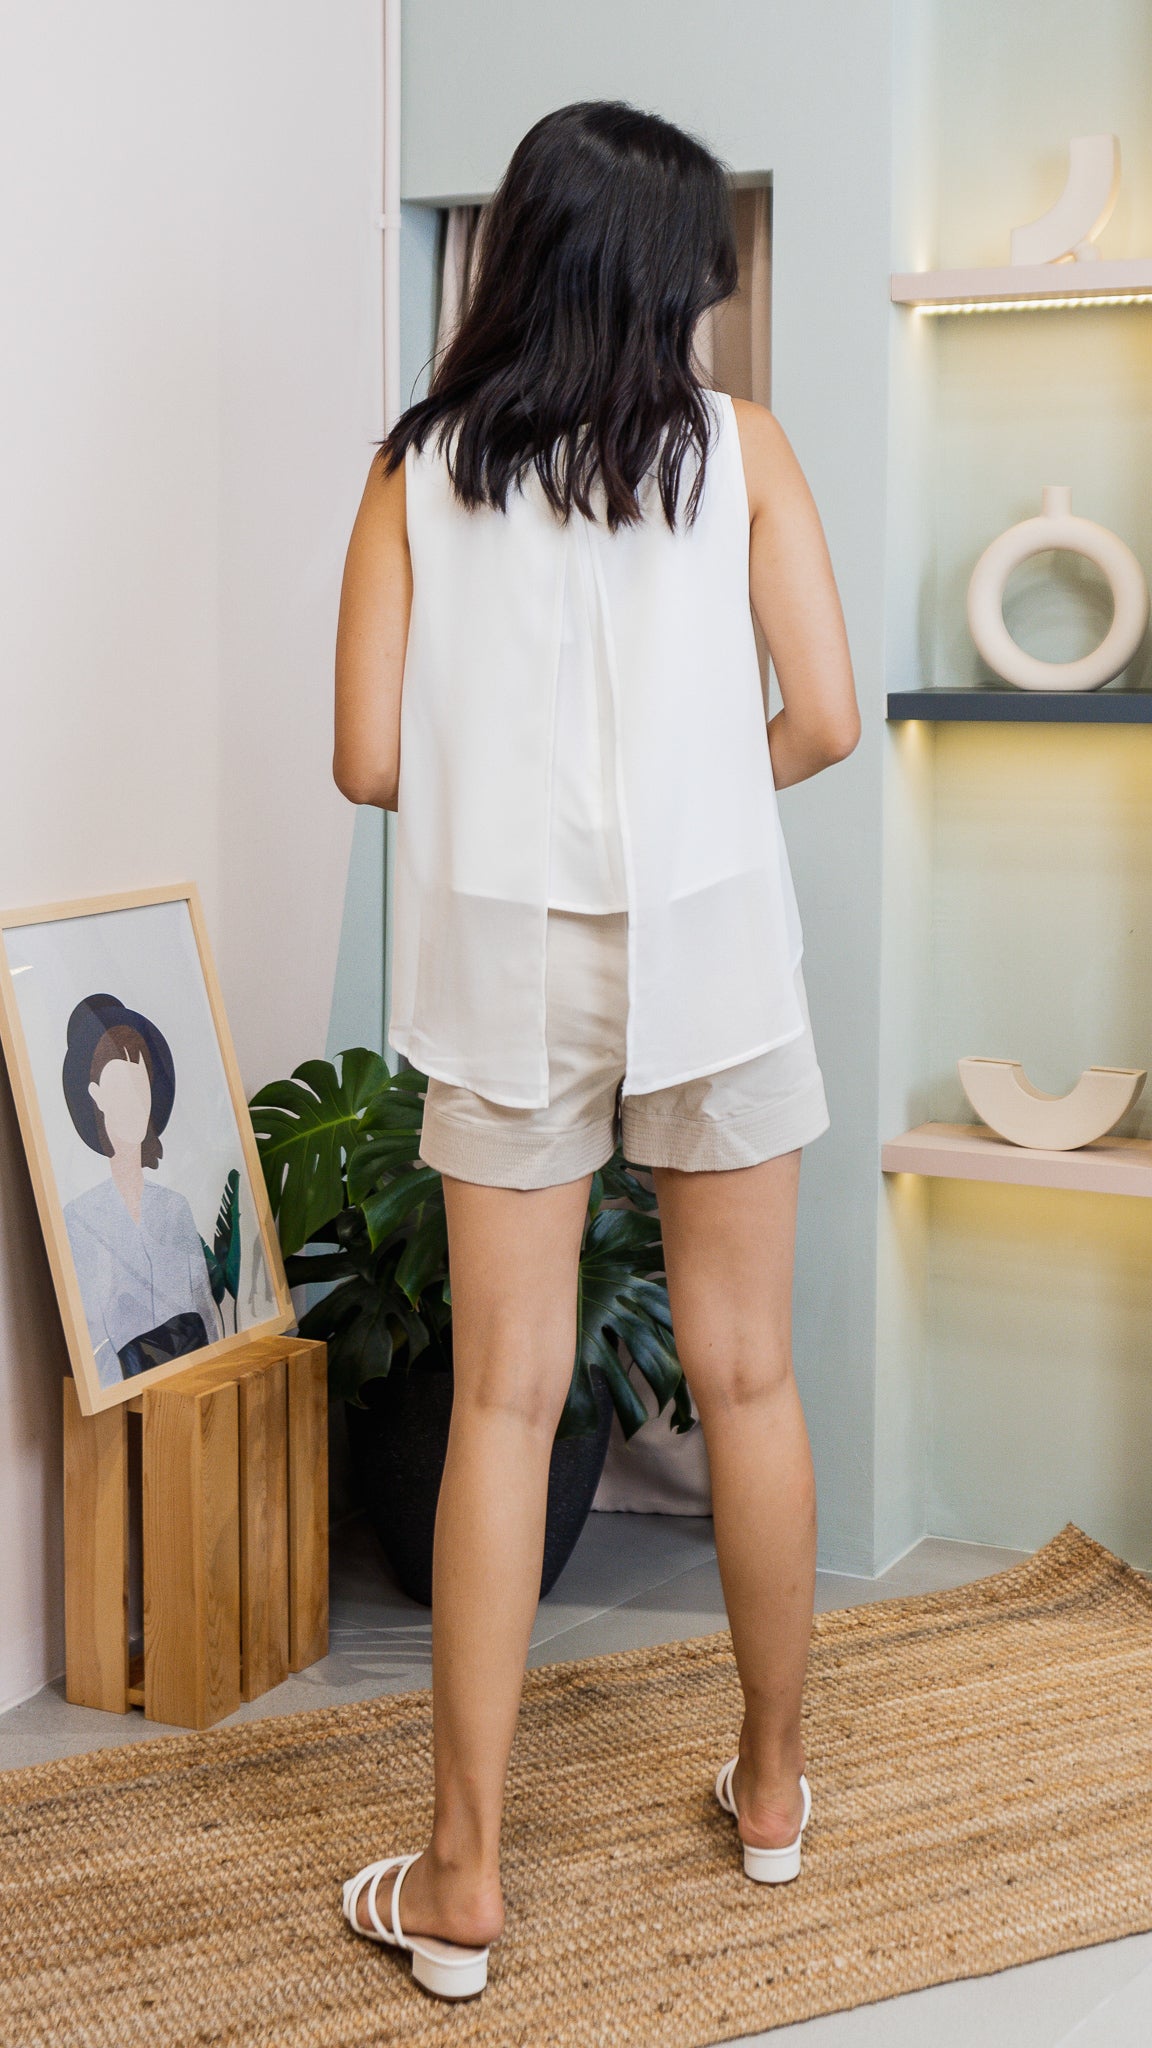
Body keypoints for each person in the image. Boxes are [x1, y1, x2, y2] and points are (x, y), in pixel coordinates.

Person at [333, 100, 859, 2001]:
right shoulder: (744, 450)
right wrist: (688, 810)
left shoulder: (416, 470)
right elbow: (827, 716)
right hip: (709, 931)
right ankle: (773, 1791)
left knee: (501, 1398)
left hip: (504, 953)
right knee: (749, 1372)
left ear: (522, 254)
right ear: (666, 275)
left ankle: (464, 1876)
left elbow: (368, 761)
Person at [61, 994, 221, 1387]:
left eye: (141, 1085)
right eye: (119, 1087)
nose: (133, 1102)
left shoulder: (174, 1208)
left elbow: (208, 1320)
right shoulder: (79, 1219)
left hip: (194, 1385)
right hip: (123, 1398)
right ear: (96, 1095)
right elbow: (92, 1342)